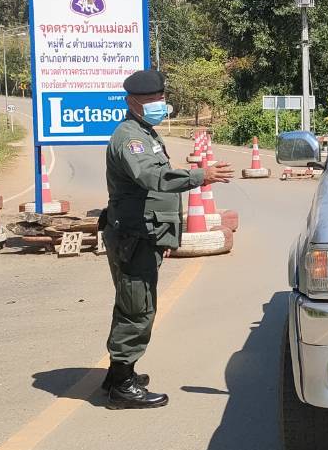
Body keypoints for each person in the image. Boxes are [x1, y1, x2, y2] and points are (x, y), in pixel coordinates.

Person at [100, 68, 234, 408]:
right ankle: (122, 387)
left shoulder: (145, 133)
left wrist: (165, 236)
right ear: (132, 102)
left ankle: (118, 375)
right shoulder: (130, 138)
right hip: (133, 237)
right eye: (152, 99)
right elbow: (152, 176)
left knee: (133, 304)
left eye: (161, 98)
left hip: (144, 235)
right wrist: (201, 175)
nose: (159, 104)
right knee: (137, 310)